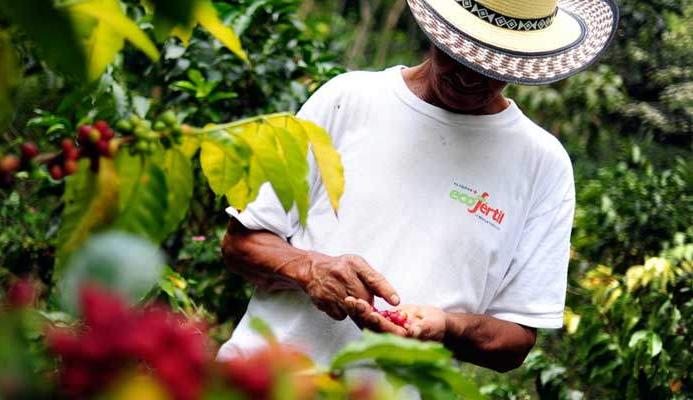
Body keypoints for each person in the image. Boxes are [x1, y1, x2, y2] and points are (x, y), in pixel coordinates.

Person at [217, 0, 619, 374]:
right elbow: (240, 245)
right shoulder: (349, 99)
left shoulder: (543, 166)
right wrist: (311, 270)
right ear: (435, 30)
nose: (467, 75)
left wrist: (446, 327)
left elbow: (514, 342)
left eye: (492, 66)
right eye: (459, 52)